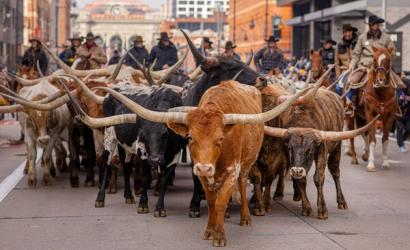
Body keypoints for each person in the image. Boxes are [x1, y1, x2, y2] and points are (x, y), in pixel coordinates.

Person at [345, 15, 404, 113]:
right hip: (365, 66)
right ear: (370, 25)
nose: (375, 26)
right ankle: (349, 105)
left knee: (398, 83)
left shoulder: (386, 38)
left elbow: (393, 51)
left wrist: (386, 54)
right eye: (373, 24)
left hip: (382, 67)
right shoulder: (362, 38)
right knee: (351, 81)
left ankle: (397, 106)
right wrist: (352, 65)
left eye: (377, 24)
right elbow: (356, 54)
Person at [397, 76, 410, 152]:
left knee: (408, 129)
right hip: (399, 114)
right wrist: (401, 100)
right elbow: (396, 101)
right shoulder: (398, 91)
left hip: (408, 115)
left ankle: (403, 140)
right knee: (400, 129)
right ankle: (401, 146)